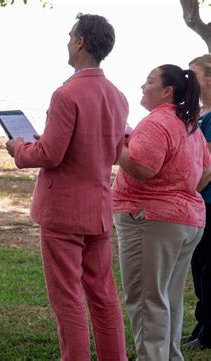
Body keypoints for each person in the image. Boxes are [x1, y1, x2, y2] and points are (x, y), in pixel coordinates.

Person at [5, 14, 128, 361]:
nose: (67, 42)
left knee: (68, 299)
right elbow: (111, 148)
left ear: (80, 42)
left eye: (69, 36)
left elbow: (49, 154)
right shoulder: (117, 96)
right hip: (99, 209)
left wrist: (18, 149)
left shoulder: (66, 93)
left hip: (63, 213)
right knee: (104, 296)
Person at [112, 64, 209, 361]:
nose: (143, 85)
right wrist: (180, 189)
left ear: (167, 91)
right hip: (185, 220)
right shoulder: (189, 122)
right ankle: (168, 356)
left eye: (150, 81)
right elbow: (205, 171)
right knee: (168, 296)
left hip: (151, 220)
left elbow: (143, 168)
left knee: (146, 299)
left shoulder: (158, 122)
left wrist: (117, 147)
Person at [185, 54, 211, 350]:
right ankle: (200, 327)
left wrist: (187, 191)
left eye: (194, 74)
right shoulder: (200, 112)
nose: (188, 80)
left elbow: (207, 168)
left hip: (207, 201)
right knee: (199, 266)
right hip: (198, 204)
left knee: (208, 269)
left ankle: (207, 334)